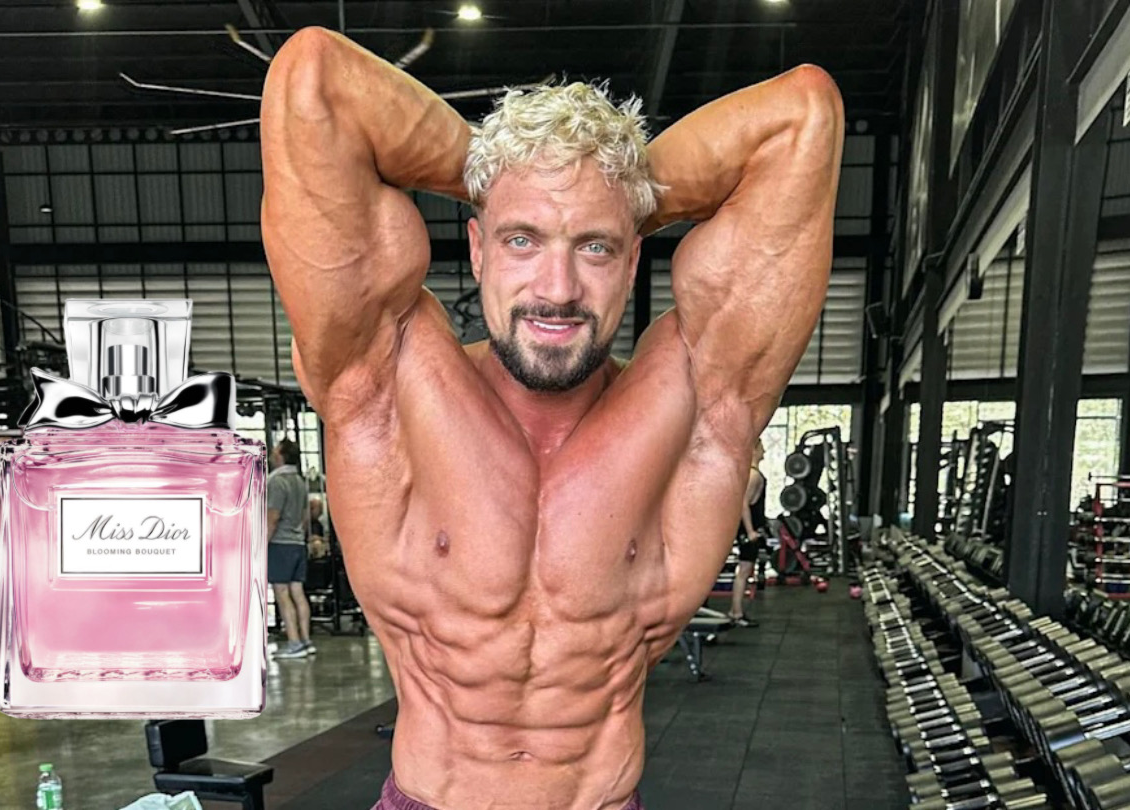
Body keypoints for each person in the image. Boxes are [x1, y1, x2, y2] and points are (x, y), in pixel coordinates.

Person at [262, 27, 842, 810]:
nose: (558, 287)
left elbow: (802, 117)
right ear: (477, 248)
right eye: (522, 239)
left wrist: (606, 188)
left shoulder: (699, 405)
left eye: (595, 247)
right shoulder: (384, 384)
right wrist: (509, 172)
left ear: (633, 261)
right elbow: (317, 79)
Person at [267, 439, 314, 659]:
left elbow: (272, 518)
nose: (271, 454)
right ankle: (306, 641)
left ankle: (294, 643)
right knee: (298, 592)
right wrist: (299, 535)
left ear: (281, 456)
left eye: (275, 451)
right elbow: (305, 516)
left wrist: (261, 544)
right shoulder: (299, 481)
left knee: (282, 593)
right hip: (297, 544)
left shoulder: (277, 482)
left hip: (280, 544)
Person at [729, 439, 767, 627]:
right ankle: (736, 612)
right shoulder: (754, 475)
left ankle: (736, 611)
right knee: (743, 571)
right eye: (761, 448)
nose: (764, 451)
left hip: (747, 528)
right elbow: (743, 504)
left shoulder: (749, 473)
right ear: (753, 450)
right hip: (747, 529)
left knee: (744, 570)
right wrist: (750, 531)